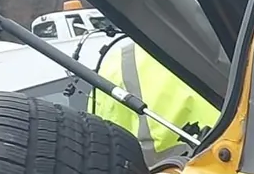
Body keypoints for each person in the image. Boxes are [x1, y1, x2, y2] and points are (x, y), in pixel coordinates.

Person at [88, 37, 217, 155]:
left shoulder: (117, 64)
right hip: (220, 159)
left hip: (164, 169)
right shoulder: (219, 45)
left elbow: (103, 144)